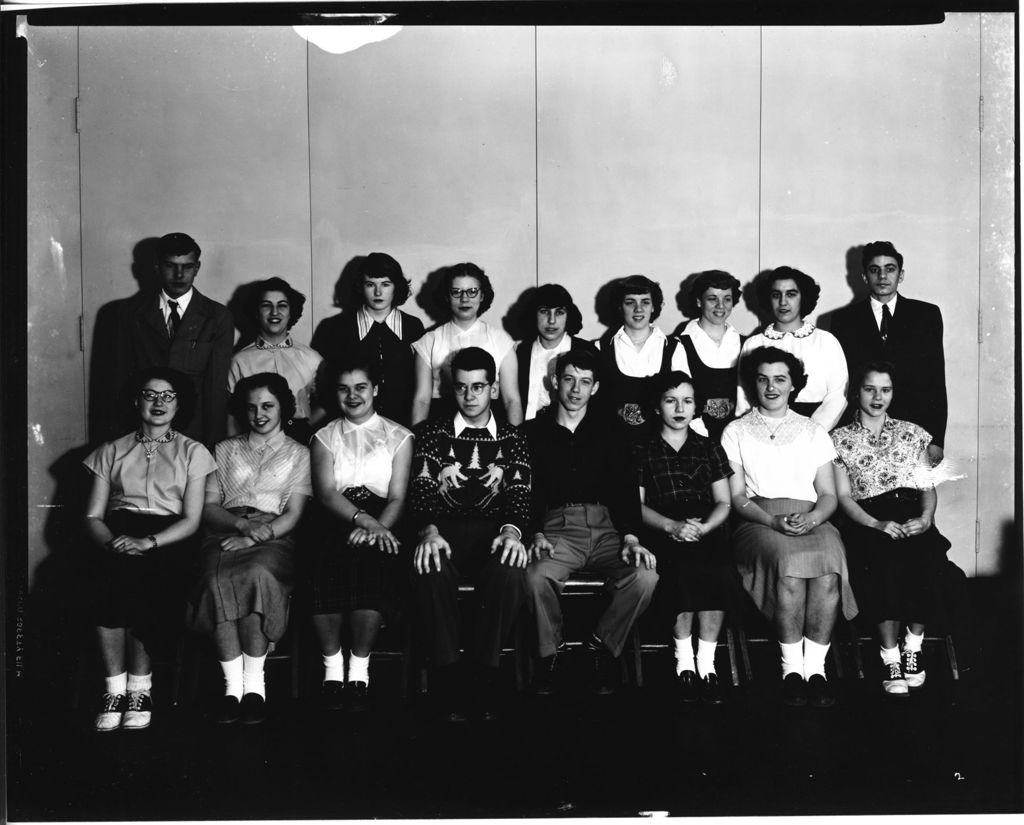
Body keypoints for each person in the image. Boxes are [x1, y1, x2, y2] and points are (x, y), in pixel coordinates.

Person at [722, 346, 857, 708]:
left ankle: (816, 670)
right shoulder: (735, 431)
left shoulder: (813, 431)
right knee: (791, 570)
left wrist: (813, 518)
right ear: (753, 384)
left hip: (812, 518)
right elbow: (737, 499)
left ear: (793, 385)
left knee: (828, 568)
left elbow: (828, 494)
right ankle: (791, 670)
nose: (771, 387)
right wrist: (772, 521)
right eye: (763, 379)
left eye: (780, 379)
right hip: (759, 520)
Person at [82, 367, 216, 731]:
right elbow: (93, 516)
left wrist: (149, 542)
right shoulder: (111, 450)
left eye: (168, 395)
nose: (159, 402)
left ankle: (141, 687)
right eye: (150, 394)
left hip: (169, 536)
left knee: (145, 577)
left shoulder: (194, 451)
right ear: (136, 400)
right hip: (118, 532)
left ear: (179, 403)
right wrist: (112, 544)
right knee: (106, 574)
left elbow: (191, 519)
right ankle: (114, 689)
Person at [524, 348, 658, 695]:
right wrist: (535, 531)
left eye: (585, 382)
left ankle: (602, 646)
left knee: (644, 576)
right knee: (536, 576)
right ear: (555, 381)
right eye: (568, 379)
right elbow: (526, 489)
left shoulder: (611, 432)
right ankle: (550, 654)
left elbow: (626, 490)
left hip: (608, 528)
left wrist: (631, 537)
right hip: (557, 528)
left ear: (595, 388)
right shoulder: (532, 432)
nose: (575, 389)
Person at [408, 347, 531, 720]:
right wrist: (428, 531)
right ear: (451, 389)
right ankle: (446, 673)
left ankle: (485, 671)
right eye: (461, 388)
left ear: (493, 389)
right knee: (430, 566)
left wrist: (512, 532)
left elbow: (520, 492)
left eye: (479, 387)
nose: (470, 396)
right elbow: (423, 488)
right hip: (443, 530)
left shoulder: (513, 436)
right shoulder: (432, 432)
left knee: (509, 571)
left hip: (493, 532)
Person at [188, 373, 311, 725]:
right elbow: (209, 508)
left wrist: (256, 535)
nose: (259, 414)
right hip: (224, 530)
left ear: (283, 408)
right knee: (216, 577)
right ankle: (232, 689)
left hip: (275, 536)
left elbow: (295, 514)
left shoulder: (300, 453)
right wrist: (241, 527)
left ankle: (255, 686)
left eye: (268, 406)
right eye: (252, 407)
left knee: (255, 572)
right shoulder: (224, 449)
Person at [832, 361, 954, 695]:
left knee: (929, 558)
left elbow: (927, 487)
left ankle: (913, 648)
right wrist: (876, 524)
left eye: (885, 390)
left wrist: (926, 519)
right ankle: (891, 658)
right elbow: (843, 497)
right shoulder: (838, 440)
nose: (877, 397)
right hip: (868, 520)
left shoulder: (913, 433)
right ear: (856, 391)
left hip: (911, 514)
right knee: (884, 566)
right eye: (870, 389)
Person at [307, 356, 413, 712]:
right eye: (344, 389)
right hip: (335, 515)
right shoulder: (323, 436)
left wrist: (378, 526)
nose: (353, 396)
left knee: (374, 567)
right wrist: (362, 520)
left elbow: (398, 496)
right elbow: (324, 492)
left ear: (376, 389)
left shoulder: (399, 435)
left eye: (361, 387)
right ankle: (333, 669)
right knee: (322, 566)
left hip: (386, 518)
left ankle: (359, 669)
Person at [635, 371, 734, 703]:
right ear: (656, 406)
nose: (679, 408)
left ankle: (707, 663)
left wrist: (705, 528)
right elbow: (637, 506)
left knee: (718, 567)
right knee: (679, 569)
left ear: (697, 408)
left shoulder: (708, 447)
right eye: (670, 400)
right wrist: (671, 526)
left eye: (687, 401)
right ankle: (684, 661)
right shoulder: (642, 449)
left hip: (705, 524)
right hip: (662, 523)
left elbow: (724, 501)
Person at [829, 241, 947, 464]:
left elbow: (935, 380)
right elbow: (842, 384)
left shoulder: (926, 315)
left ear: (901, 275)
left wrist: (937, 439)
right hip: (862, 431)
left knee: (913, 497)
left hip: (914, 429)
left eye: (890, 269)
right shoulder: (844, 320)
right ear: (865, 276)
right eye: (875, 270)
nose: (882, 276)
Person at [111, 232, 234, 446]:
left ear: (197, 268)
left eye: (187, 267)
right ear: (157, 267)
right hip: (141, 434)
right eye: (171, 266)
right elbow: (120, 385)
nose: (179, 274)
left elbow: (215, 392)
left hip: (193, 438)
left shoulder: (217, 316)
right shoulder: (129, 314)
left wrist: (213, 448)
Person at [311, 252, 425, 427]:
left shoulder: (413, 327)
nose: (378, 292)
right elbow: (326, 390)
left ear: (396, 287)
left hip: (402, 427)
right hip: (349, 426)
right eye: (370, 284)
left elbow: (420, 388)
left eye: (385, 284)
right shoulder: (335, 328)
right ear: (360, 287)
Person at [736, 267, 848, 432]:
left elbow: (838, 396)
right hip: (764, 430)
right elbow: (744, 401)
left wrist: (812, 433)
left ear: (803, 298)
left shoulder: (826, 341)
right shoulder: (752, 344)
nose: (783, 302)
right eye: (776, 295)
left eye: (791, 294)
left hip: (816, 430)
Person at [412, 263, 522, 427]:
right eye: (456, 292)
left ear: (482, 296)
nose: (465, 299)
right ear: (447, 296)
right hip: (441, 425)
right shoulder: (430, 341)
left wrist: (515, 443)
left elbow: (511, 400)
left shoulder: (500, 341)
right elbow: (421, 401)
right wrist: (419, 442)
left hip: (489, 424)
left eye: (472, 292)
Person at [228, 277, 324, 444]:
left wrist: (305, 427)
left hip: (300, 441)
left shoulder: (312, 358)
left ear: (291, 311)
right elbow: (231, 414)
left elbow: (327, 403)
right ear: (256, 312)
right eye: (266, 305)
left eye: (282, 305)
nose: (274, 312)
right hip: (253, 442)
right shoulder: (239, 361)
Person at [596, 274, 688, 439]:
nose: (638, 309)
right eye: (630, 302)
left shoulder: (673, 348)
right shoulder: (600, 348)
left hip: (659, 448)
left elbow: (685, 401)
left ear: (654, 307)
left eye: (645, 302)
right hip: (611, 444)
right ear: (619, 306)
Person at [675, 270, 745, 441]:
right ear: (699, 301)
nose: (721, 306)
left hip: (739, 436)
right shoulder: (679, 344)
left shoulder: (746, 343)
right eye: (712, 298)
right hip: (695, 437)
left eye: (727, 299)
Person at [515, 284, 599, 421]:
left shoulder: (588, 351)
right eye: (544, 311)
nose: (551, 320)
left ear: (569, 316)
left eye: (559, 312)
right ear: (533, 314)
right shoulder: (520, 353)